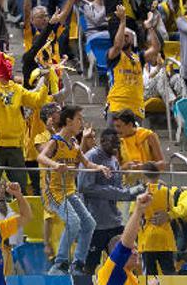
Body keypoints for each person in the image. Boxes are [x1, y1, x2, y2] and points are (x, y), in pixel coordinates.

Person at [38, 105, 111, 275]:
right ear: (68, 121)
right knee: (74, 222)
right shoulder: (55, 141)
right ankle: (61, 263)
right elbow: (40, 157)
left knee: (89, 223)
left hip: (70, 191)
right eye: (79, 119)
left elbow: (87, 164)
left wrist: (100, 167)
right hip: (53, 192)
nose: (81, 123)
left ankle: (78, 263)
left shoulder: (74, 144)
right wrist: (55, 164)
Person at [78, 128, 146, 274]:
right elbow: (84, 187)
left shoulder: (114, 161)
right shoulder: (91, 157)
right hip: (95, 224)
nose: (116, 146)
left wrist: (135, 190)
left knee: (124, 263)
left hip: (114, 222)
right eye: (113, 142)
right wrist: (116, 192)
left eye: (118, 142)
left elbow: (118, 191)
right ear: (102, 141)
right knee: (89, 267)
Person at [95, 192, 151, 285]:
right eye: (132, 249)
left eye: (136, 249)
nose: (136, 252)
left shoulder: (130, 277)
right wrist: (138, 210)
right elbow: (124, 246)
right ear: (114, 254)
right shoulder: (113, 271)